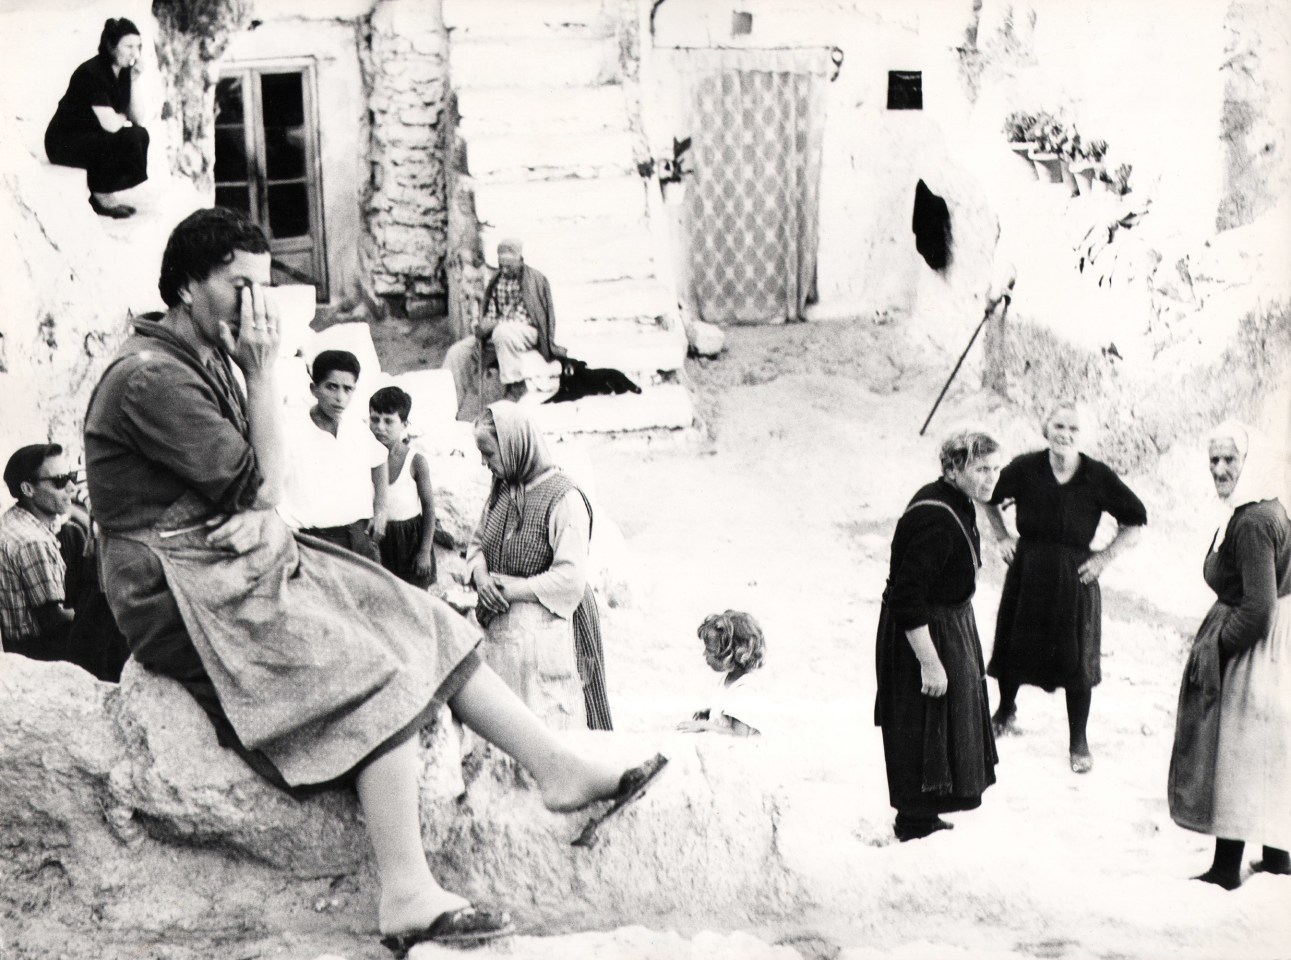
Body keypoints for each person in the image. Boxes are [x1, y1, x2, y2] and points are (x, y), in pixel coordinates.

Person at [82, 207, 666, 952]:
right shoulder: (151, 378)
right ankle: (406, 894)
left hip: (227, 557)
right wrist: (262, 425)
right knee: (365, 666)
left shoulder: (195, 354)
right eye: (238, 286)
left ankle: (556, 768)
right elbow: (259, 482)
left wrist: (262, 508)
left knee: (413, 616)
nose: (256, 307)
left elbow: (262, 491)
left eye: (264, 288)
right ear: (187, 287)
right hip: (177, 587)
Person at [983, 402, 1147, 774]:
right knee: (1014, 644)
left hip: (1075, 578)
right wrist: (1001, 537)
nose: (1065, 434)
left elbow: (1135, 520)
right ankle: (1005, 710)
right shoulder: (1025, 468)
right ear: (1046, 428)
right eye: (1059, 425)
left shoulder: (1097, 476)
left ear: (1082, 435)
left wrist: (1105, 558)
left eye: (1073, 429)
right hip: (1028, 569)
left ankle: (1078, 740)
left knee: (1076, 660)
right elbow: (988, 497)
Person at [1168, 420, 1290, 890]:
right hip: (1277, 640)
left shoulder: (1256, 521)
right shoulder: (1256, 508)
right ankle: (1278, 857)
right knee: (1268, 750)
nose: (1219, 469)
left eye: (1230, 460)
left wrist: (1217, 647)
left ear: (1249, 462)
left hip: (1258, 644)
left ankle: (1226, 869)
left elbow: (1258, 607)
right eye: (1213, 460)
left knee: (1236, 749)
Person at [875, 431, 1002, 842]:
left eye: (995, 468)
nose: (991, 478)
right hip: (922, 634)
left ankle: (924, 817)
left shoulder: (959, 502)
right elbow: (907, 599)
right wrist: (930, 662)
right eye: (981, 469)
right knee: (921, 721)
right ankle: (912, 824)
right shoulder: (935, 518)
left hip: (946, 626)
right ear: (952, 469)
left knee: (941, 725)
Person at [467, 402, 613, 731]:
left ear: (514, 447)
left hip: (556, 627)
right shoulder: (503, 488)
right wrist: (480, 576)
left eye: (489, 454)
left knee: (558, 721)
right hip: (508, 632)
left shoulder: (564, 498)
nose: (484, 463)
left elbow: (569, 578)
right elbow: (477, 543)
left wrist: (508, 589)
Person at [278, 349, 387, 562]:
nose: (340, 398)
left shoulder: (356, 426)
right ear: (314, 389)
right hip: (316, 542)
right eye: (332, 387)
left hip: (359, 537)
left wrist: (381, 509)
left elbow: (379, 460)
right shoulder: (291, 430)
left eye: (348, 389)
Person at [443, 239, 565, 420]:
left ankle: (515, 384)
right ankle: (448, 404)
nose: (505, 270)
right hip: (500, 331)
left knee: (503, 332)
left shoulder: (534, 280)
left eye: (509, 266)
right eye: (502, 266)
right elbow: (491, 311)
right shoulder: (497, 280)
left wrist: (495, 324)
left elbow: (528, 316)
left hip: (527, 331)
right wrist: (483, 327)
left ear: (520, 260)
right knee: (458, 352)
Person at [44, 18, 149, 218]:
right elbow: (110, 125)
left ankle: (104, 190)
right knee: (116, 139)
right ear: (111, 46)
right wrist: (122, 115)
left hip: (93, 136)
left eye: (138, 46)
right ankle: (102, 196)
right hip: (64, 142)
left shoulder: (125, 73)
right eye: (128, 46)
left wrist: (134, 81)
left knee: (139, 135)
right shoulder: (91, 73)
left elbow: (138, 118)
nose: (135, 53)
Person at [1, 444, 77, 660]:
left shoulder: (17, 517)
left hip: (18, 647)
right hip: (40, 651)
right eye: (60, 481)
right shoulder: (33, 542)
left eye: (72, 476)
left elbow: (65, 517)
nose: (71, 488)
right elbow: (55, 621)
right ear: (28, 489)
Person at [369, 386, 436, 588]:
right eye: (374, 419)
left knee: (415, 599)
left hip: (409, 540)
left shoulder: (415, 461)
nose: (380, 427)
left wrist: (424, 551)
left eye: (389, 421)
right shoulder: (364, 458)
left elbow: (429, 508)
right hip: (378, 539)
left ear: (404, 424)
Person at [676, 610, 767, 737]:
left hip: (737, 752)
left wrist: (704, 726)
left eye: (709, 650)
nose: (704, 654)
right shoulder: (729, 679)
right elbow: (725, 714)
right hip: (721, 748)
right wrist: (709, 714)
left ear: (730, 654)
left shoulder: (745, 689)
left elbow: (739, 736)